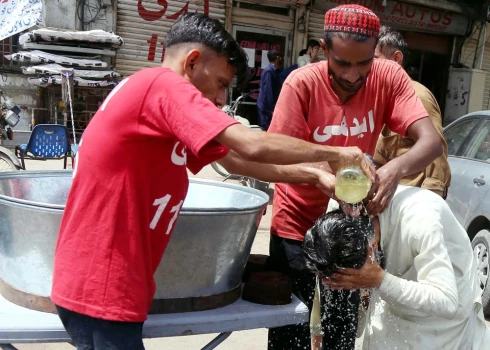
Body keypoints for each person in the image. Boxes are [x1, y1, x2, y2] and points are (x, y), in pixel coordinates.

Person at [51, 13, 375, 350]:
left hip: (109, 288)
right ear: (192, 63)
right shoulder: (164, 86)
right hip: (102, 289)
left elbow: (238, 160)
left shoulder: (157, 103)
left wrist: (313, 175)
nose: (221, 99)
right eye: (221, 83)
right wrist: (336, 154)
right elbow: (252, 144)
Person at [267, 4, 443, 349]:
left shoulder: (388, 77)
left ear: (376, 53)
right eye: (342, 63)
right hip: (296, 227)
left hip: (347, 231)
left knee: (340, 332)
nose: (351, 75)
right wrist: (320, 174)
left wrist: (393, 171)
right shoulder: (302, 83)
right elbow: (274, 154)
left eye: (363, 63)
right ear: (324, 48)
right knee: (292, 334)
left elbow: (431, 142)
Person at [305, 186, 490, 349]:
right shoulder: (341, 210)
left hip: (442, 316)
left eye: (354, 280)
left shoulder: (421, 221)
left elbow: (447, 302)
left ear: (372, 248)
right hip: (393, 293)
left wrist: (379, 280)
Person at [374, 26, 451, 198]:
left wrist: (430, 204)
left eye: (374, 59)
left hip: (411, 199)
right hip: (388, 200)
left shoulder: (418, 96)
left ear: (396, 59)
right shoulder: (381, 97)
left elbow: (437, 163)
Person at [257, 50, 282, 130]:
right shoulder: (269, 71)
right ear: (277, 58)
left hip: (268, 107)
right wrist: (272, 108)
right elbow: (268, 91)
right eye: (280, 57)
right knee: (267, 129)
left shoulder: (274, 71)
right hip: (266, 108)